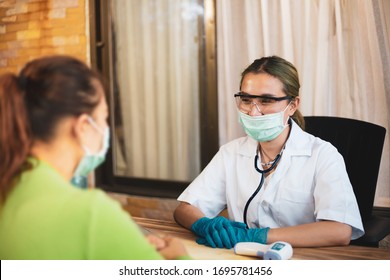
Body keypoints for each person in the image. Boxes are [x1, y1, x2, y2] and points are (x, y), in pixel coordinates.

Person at [0, 55, 189, 260]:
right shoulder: (90, 214)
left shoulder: (8, 189)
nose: (106, 129)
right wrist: (180, 259)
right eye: (103, 118)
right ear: (83, 126)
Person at [174, 55, 364, 248]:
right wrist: (205, 225)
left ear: (292, 105)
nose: (254, 112)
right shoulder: (231, 153)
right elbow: (185, 208)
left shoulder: (322, 155)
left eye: (266, 100)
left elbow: (340, 231)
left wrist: (257, 236)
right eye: (246, 100)